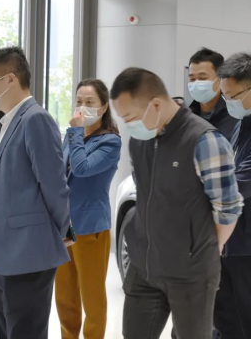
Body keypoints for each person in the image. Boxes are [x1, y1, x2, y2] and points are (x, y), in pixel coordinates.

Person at [110, 67, 243, 339]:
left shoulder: (205, 141)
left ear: (155, 105)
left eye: (129, 117)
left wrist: (202, 248)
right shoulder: (140, 140)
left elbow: (228, 208)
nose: (127, 125)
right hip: (144, 267)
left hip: (191, 276)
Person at [0, 46, 71, 339]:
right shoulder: (7, 120)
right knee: (6, 330)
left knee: (24, 331)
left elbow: (53, 184)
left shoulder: (34, 119)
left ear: (9, 80)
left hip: (27, 251)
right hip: (2, 252)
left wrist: (61, 229)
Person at [55, 79, 121, 339]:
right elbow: (60, 172)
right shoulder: (72, 137)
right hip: (64, 225)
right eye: (79, 101)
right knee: (65, 295)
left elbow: (82, 169)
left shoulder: (110, 142)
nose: (82, 107)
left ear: (103, 107)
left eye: (90, 102)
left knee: (92, 297)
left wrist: (75, 132)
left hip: (91, 227)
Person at [214, 52, 251, 339]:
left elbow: (239, 183)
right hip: (232, 241)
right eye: (224, 96)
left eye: (233, 96)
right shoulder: (242, 122)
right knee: (226, 320)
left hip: (247, 247)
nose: (229, 103)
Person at [188, 48, 238, 140]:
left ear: (220, 79)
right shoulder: (187, 116)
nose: (196, 84)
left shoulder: (235, 116)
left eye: (203, 78)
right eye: (192, 79)